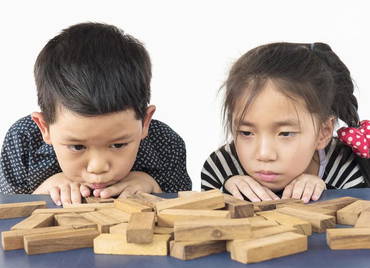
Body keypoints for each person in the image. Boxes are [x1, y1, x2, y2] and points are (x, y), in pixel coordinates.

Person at [0, 22, 192, 205]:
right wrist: (41, 193)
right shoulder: (24, 140)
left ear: (145, 122)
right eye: (76, 147)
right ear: (44, 127)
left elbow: (188, 211)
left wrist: (153, 185)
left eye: (118, 144)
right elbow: (6, 215)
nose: (98, 167)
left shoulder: (165, 144)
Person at [201, 42, 370, 203]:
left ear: (323, 132)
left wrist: (326, 193)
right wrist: (224, 194)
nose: (264, 154)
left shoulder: (345, 166)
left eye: (285, 133)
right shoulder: (221, 168)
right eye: (246, 132)